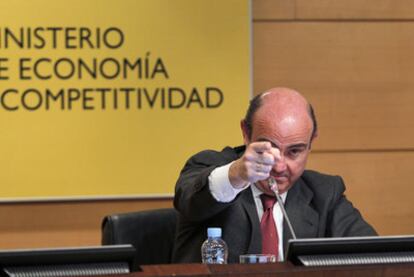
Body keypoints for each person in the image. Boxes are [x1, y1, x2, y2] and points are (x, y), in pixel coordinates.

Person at [172, 87, 377, 263]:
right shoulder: (210, 168)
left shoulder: (324, 193)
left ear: (311, 142)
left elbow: (375, 255)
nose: (279, 166)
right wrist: (237, 175)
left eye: (294, 151)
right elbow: (190, 199)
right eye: (269, 149)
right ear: (245, 133)